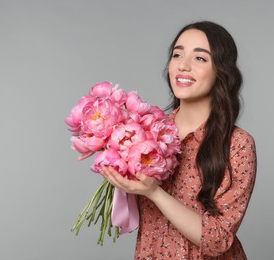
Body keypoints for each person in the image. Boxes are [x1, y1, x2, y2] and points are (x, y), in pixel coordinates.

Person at [101, 21, 257, 259]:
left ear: (221, 71)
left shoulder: (237, 144)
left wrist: (154, 192)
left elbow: (218, 239)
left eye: (200, 58)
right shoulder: (144, 131)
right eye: (177, 55)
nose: (183, 66)